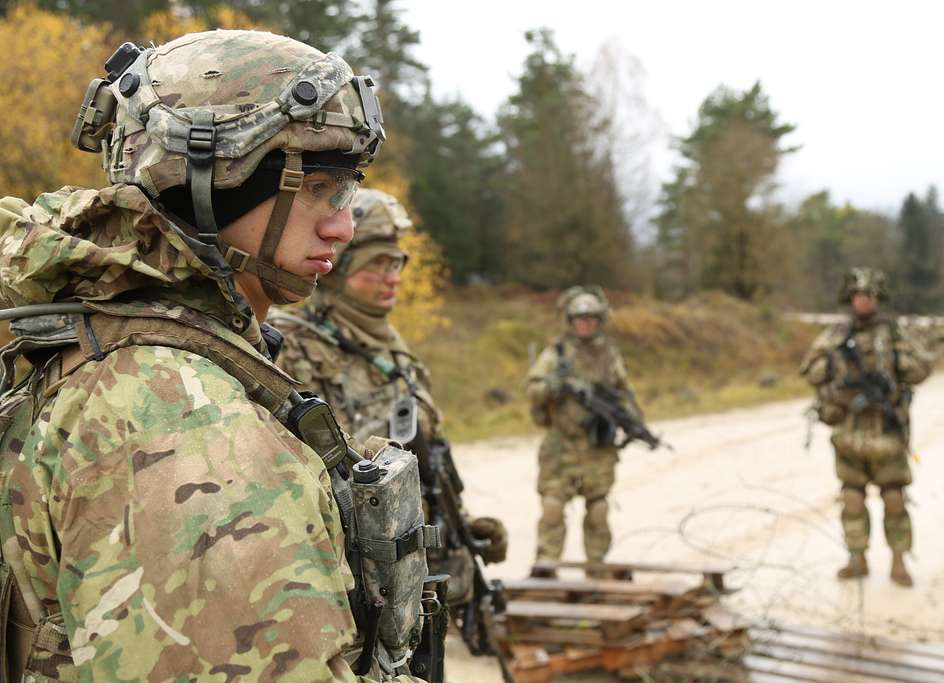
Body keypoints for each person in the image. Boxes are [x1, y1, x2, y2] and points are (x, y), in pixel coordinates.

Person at [0, 30, 427, 681]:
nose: (342, 223)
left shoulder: (105, 343)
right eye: (320, 187)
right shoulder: (184, 427)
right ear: (217, 181)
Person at [270, 189, 507, 651]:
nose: (390, 277)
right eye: (375, 264)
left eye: (396, 263)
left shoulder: (395, 351)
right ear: (338, 268)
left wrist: (460, 529)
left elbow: (425, 461)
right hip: (342, 589)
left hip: (409, 585)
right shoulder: (290, 345)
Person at [801, 268, 933, 587]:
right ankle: (856, 558)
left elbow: (922, 366)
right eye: (859, 296)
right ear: (850, 298)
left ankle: (899, 561)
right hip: (848, 430)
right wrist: (833, 366)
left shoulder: (893, 333)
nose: (863, 301)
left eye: (869, 296)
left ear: (878, 298)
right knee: (852, 499)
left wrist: (898, 366)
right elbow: (809, 369)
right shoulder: (836, 335)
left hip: (885, 430)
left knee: (894, 499)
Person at [525, 286, 641, 575]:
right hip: (561, 444)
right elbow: (533, 389)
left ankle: (597, 568)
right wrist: (555, 386)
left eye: (591, 318)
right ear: (570, 320)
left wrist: (630, 420)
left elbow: (623, 392)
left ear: (600, 320)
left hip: (597, 445)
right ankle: (546, 566)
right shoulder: (556, 354)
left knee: (599, 509)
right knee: (553, 506)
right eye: (579, 318)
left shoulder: (609, 355)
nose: (585, 324)